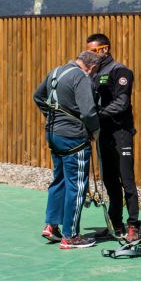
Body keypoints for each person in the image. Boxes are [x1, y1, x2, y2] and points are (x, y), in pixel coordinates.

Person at [33, 50, 101, 249]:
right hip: (74, 137)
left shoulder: (56, 71)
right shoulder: (80, 77)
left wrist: (52, 116)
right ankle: (70, 236)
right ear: (92, 67)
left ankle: (52, 226)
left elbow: (38, 97)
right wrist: (94, 131)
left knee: (59, 179)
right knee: (77, 186)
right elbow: (88, 111)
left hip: (53, 133)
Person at [86, 33, 141, 243]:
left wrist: (97, 115)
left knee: (126, 180)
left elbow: (122, 103)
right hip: (104, 134)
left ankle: (133, 225)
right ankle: (115, 223)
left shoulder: (121, 71)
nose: (89, 55)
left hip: (121, 133)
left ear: (105, 49)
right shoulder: (93, 74)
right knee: (109, 180)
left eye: (92, 51)